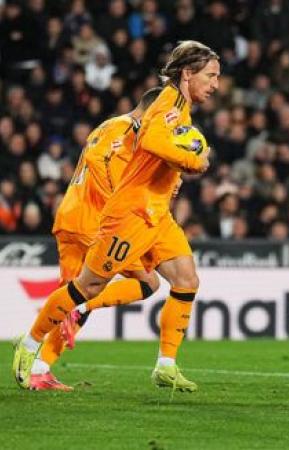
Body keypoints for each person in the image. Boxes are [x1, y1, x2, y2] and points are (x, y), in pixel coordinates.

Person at [12, 40, 218, 392]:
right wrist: (190, 161)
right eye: (211, 76)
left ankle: (165, 364)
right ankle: (31, 349)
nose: (215, 85)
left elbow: (154, 155)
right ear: (187, 74)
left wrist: (172, 179)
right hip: (102, 218)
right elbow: (134, 151)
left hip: (149, 215)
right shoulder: (141, 118)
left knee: (176, 280)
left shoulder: (179, 110)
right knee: (83, 291)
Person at [19, 88, 164, 391]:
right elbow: (102, 162)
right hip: (93, 224)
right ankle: (79, 312)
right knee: (148, 282)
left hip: (72, 219)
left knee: (71, 296)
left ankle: (40, 371)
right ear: (150, 111)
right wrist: (124, 199)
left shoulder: (109, 126)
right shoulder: (122, 128)